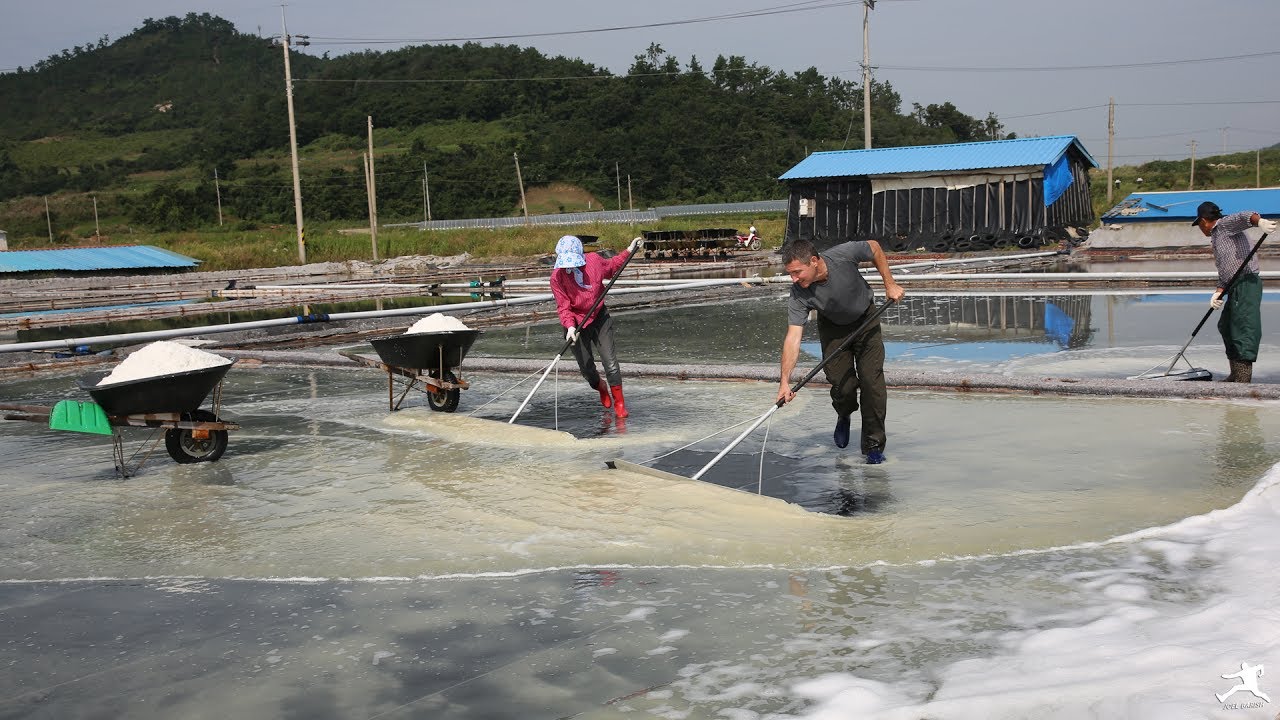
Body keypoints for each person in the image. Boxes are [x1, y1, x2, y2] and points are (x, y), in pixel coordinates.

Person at [776, 237, 905, 463]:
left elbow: (874, 247)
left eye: (797, 272)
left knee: (872, 383)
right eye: (790, 274)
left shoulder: (843, 255)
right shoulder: (798, 293)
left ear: (813, 261)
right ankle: (844, 413)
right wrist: (784, 382)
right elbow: (793, 337)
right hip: (833, 328)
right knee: (842, 386)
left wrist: (890, 284)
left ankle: (873, 445)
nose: (794, 279)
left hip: (866, 319)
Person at [550, 234, 642, 417]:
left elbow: (612, 266)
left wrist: (629, 250)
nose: (569, 266)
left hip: (599, 317)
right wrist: (570, 327)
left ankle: (620, 403)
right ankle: (600, 387)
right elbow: (563, 307)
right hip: (575, 324)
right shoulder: (557, 278)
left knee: (611, 363)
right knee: (586, 368)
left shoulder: (593, 261)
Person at [1192, 201, 1277, 383]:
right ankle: (1235, 374)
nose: (1200, 229)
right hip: (1233, 285)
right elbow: (1226, 270)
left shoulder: (1223, 225)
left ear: (1204, 221)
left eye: (1199, 224)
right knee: (1226, 325)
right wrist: (1218, 292)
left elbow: (1244, 216)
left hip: (1246, 282)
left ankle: (1243, 379)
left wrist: (1259, 222)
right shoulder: (1217, 236)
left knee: (1243, 328)